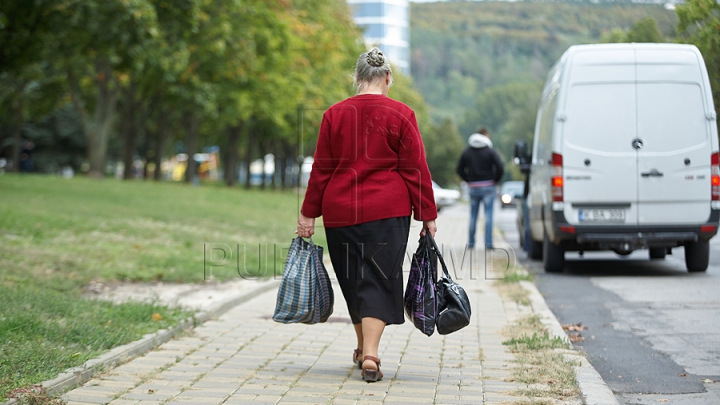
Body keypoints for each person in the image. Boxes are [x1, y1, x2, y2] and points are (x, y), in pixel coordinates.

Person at [296, 48, 438, 383]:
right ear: (387, 78)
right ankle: (371, 353)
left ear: (356, 78)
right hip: (387, 211)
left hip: (340, 211)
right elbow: (416, 168)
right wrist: (427, 215)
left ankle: (363, 349)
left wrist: (308, 214)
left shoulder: (334, 114)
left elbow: (321, 170)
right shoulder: (402, 114)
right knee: (378, 278)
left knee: (353, 279)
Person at [456, 128, 504, 248]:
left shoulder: (467, 151)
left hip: (473, 187)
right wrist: (495, 180)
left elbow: (459, 169)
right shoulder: (489, 151)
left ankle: (471, 243)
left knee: (473, 216)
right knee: (488, 215)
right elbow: (500, 166)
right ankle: (488, 244)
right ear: (485, 136)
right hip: (488, 186)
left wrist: (468, 179)